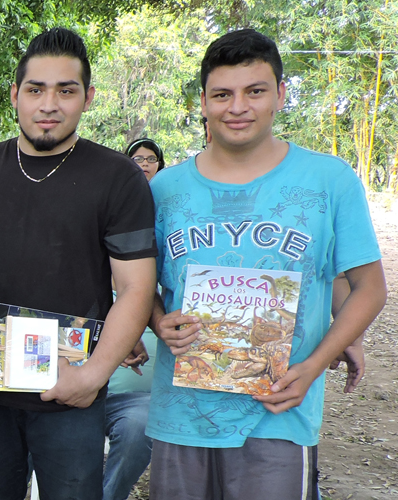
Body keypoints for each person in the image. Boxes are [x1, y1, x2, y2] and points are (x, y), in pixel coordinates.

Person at [146, 29, 386, 499]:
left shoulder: (329, 180)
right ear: (203, 103)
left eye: (254, 91)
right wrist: (158, 322)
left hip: (278, 410)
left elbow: (370, 287)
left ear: (279, 94)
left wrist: (314, 366)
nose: (238, 107)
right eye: (223, 94)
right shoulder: (164, 190)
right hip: (182, 413)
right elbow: (142, 288)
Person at [0, 28, 158, 500]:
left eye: (66, 90)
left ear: (88, 98)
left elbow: (137, 288)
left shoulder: (118, 178)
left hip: (71, 393)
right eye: (36, 89)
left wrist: (93, 375)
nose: (49, 104)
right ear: (16, 95)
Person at [98, 137, 166, 500]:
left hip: (138, 398)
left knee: (140, 428)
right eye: (135, 158)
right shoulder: (90, 251)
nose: (142, 164)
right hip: (82, 381)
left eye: (149, 159)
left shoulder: (163, 245)